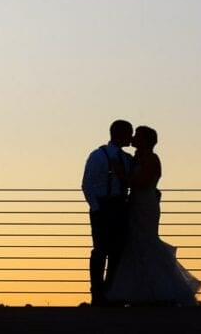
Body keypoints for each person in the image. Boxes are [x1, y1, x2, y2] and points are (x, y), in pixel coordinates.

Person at [105, 125, 201, 306]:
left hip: (145, 205)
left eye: (137, 135)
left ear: (146, 140)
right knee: (136, 243)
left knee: (147, 241)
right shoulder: (138, 157)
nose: (133, 137)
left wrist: (120, 174)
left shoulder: (152, 159)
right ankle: (144, 291)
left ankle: (163, 290)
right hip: (136, 204)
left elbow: (141, 183)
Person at [81, 119, 134, 306]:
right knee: (100, 250)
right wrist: (96, 207)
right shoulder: (98, 156)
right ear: (120, 134)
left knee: (117, 252)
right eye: (129, 133)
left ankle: (111, 292)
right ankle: (98, 293)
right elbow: (87, 183)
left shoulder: (126, 159)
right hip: (103, 207)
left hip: (120, 207)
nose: (132, 137)